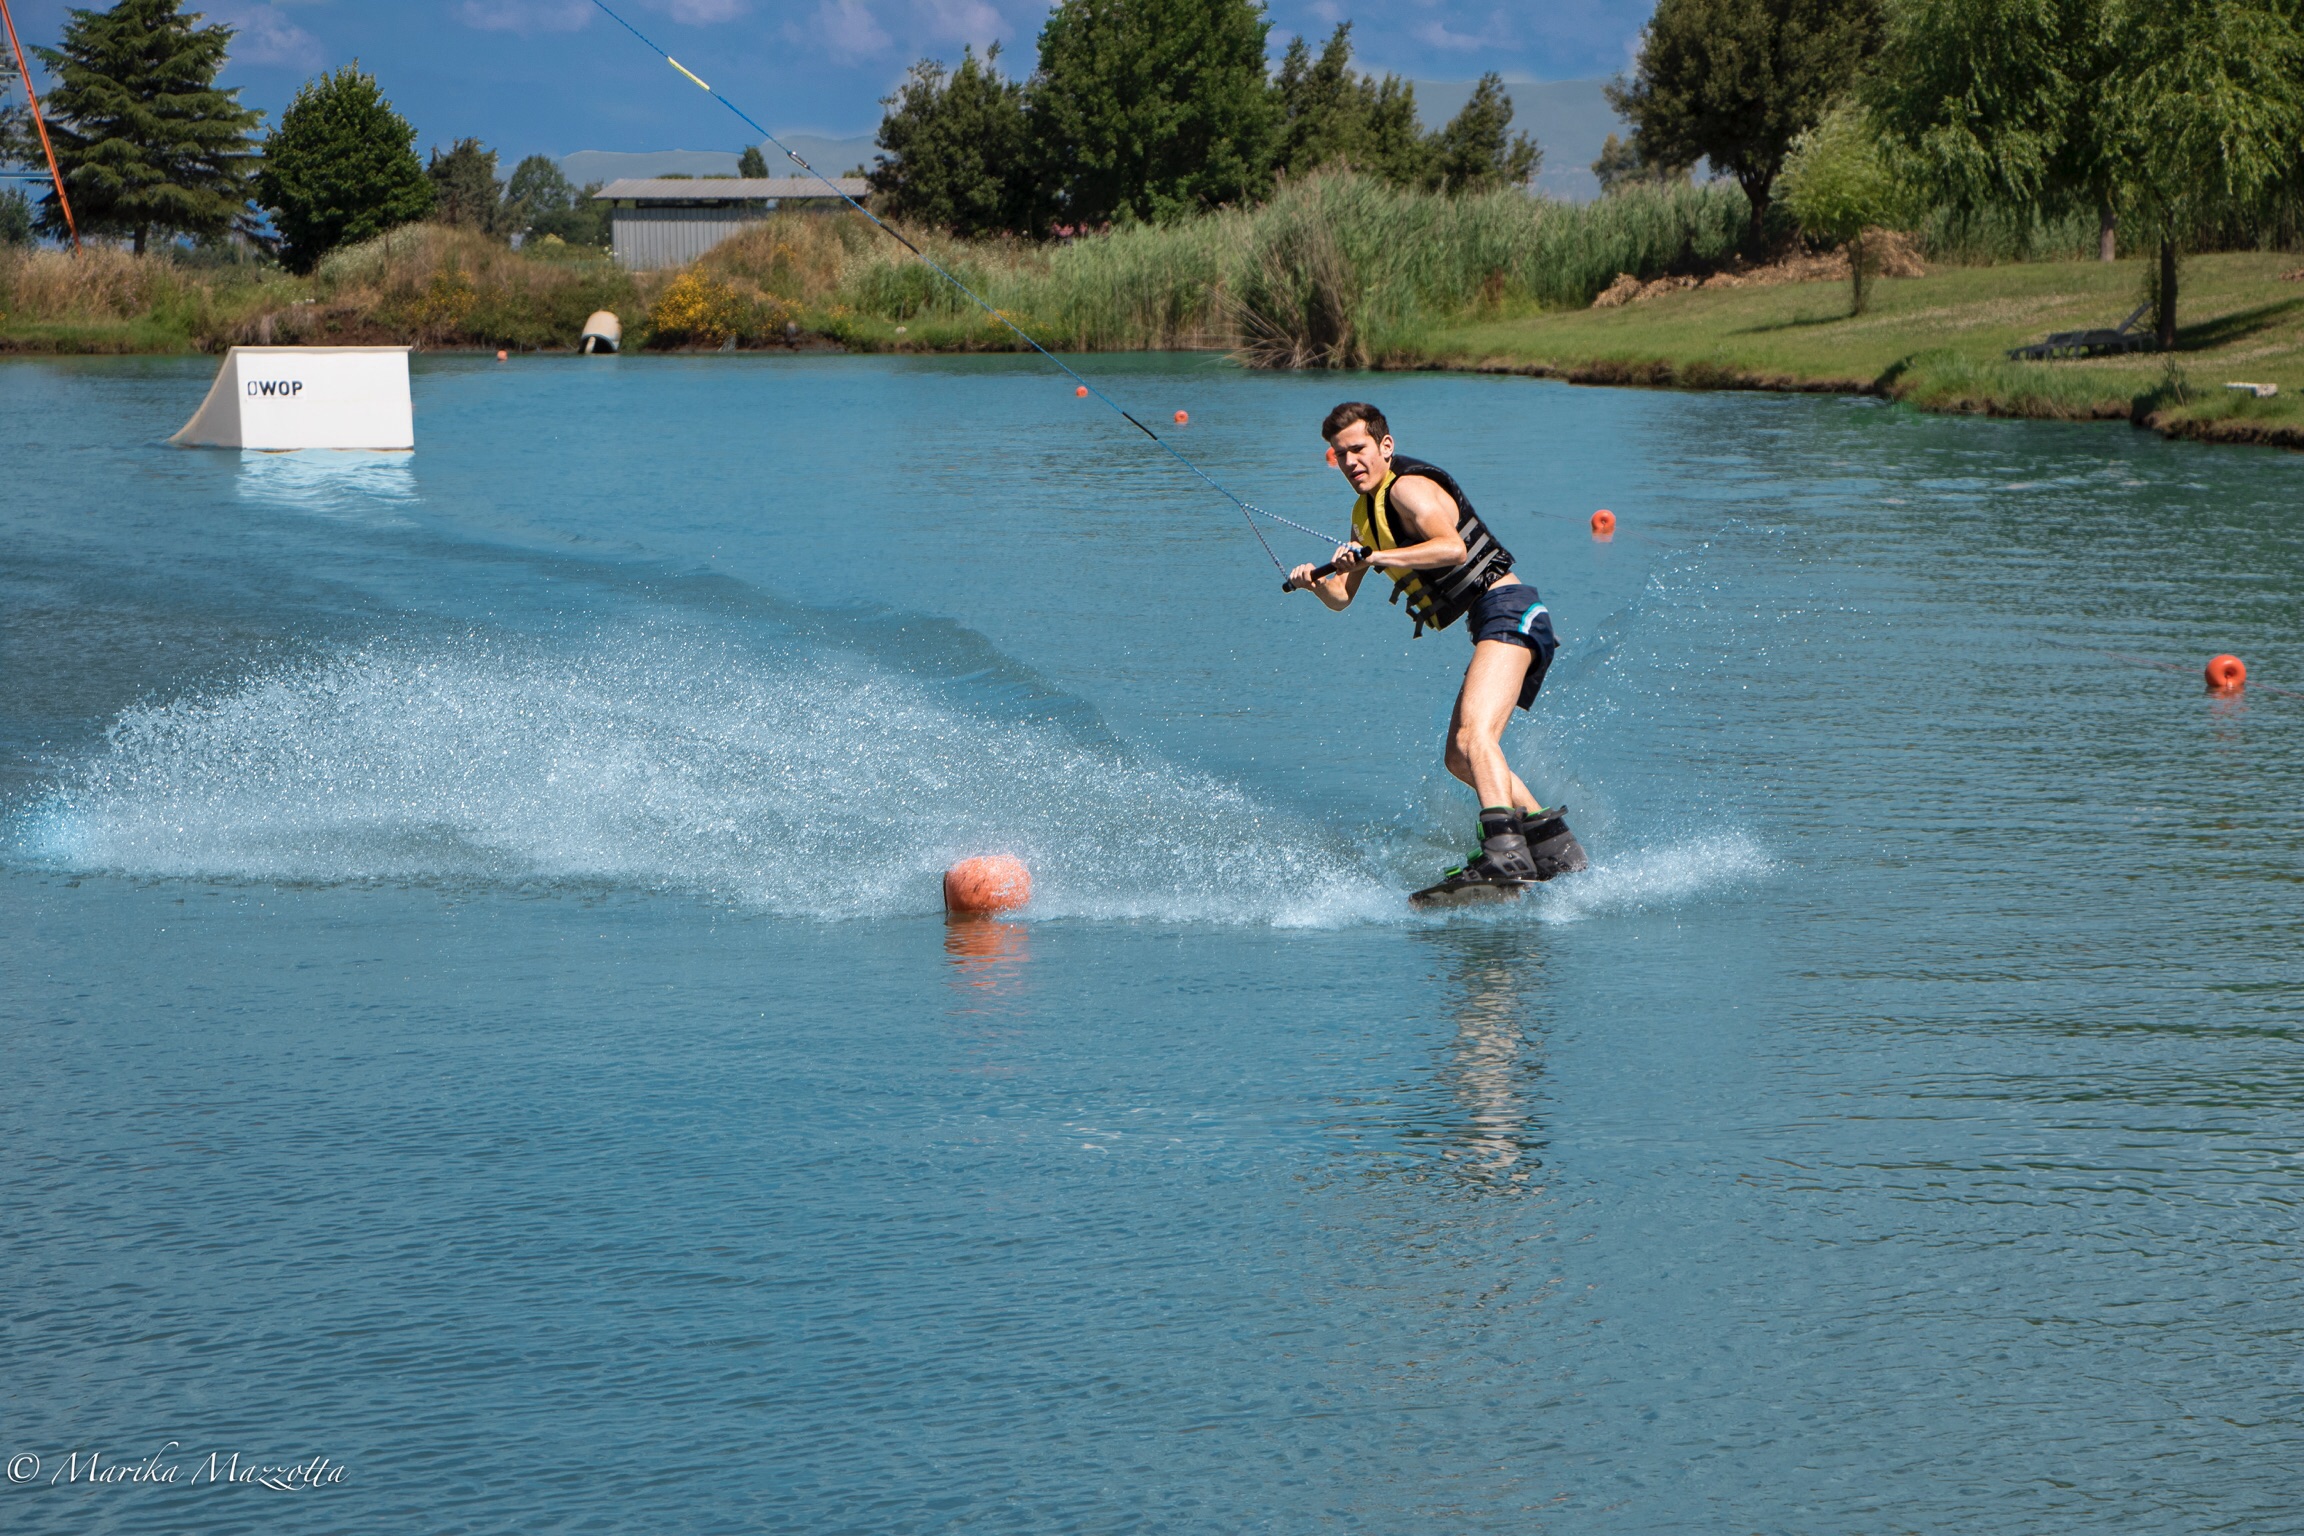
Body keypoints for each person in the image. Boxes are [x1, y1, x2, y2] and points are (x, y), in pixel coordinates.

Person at [1288, 401, 1583, 889]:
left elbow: (1452, 548)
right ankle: (1552, 845)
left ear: (1386, 446)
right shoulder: (1364, 515)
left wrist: (1373, 555)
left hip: (1511, 608)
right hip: (1491, 620)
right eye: (1340, 455)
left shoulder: (1408, 488)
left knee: (1475, 737)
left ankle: (1504, 852)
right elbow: (1340, 597)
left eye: (1358, 449)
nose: (1350, 462)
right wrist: (1314, 582)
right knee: (1458, 756)